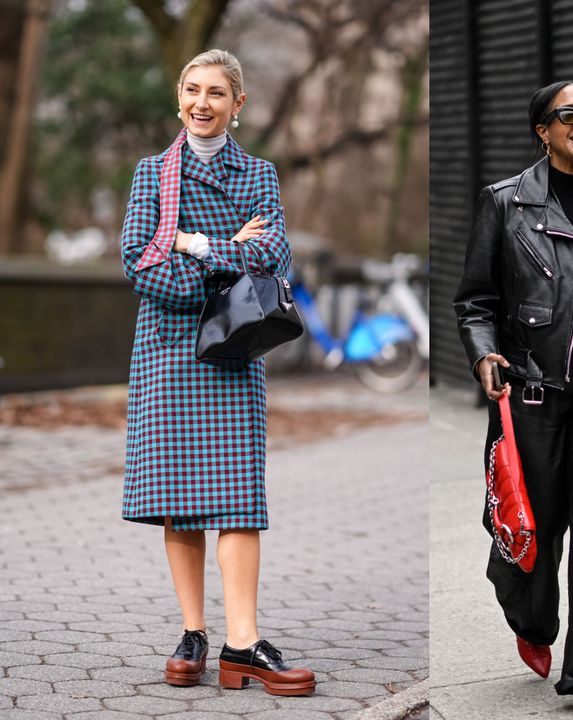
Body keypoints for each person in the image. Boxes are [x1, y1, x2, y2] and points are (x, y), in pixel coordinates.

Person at [120, 49, 315, 696]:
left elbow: (272, 254)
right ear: (179, 98)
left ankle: (242, 642)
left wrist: (190, 243)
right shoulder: (152, 174)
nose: (203, 103)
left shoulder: (258, 173)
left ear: (239, 105)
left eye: (217, 93)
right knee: (181, 501)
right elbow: (139, 263)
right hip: (169, 353)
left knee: (238, 501)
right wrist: (228, 253)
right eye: (193, 90)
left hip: (233, 354)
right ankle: (192, 633)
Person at [453, 80, 573, 717]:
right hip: (530, 384)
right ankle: (532, 621)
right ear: (544, 129)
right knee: (527, 529)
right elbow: (475, 301)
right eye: (571, 115)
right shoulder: (506, 203)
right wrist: (485, 353)